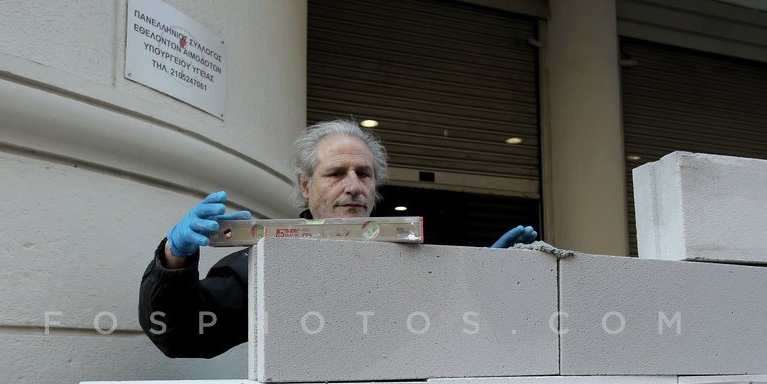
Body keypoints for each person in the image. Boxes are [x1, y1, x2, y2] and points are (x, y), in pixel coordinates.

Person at [139, 119, 537, 359]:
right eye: (336, 173)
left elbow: (458, 334)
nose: (353, 186)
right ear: (305, 185)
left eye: (364, 174)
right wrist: (173, 259)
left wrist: (488, 275)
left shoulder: (413, 259)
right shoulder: (267, 263)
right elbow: (183, 335)